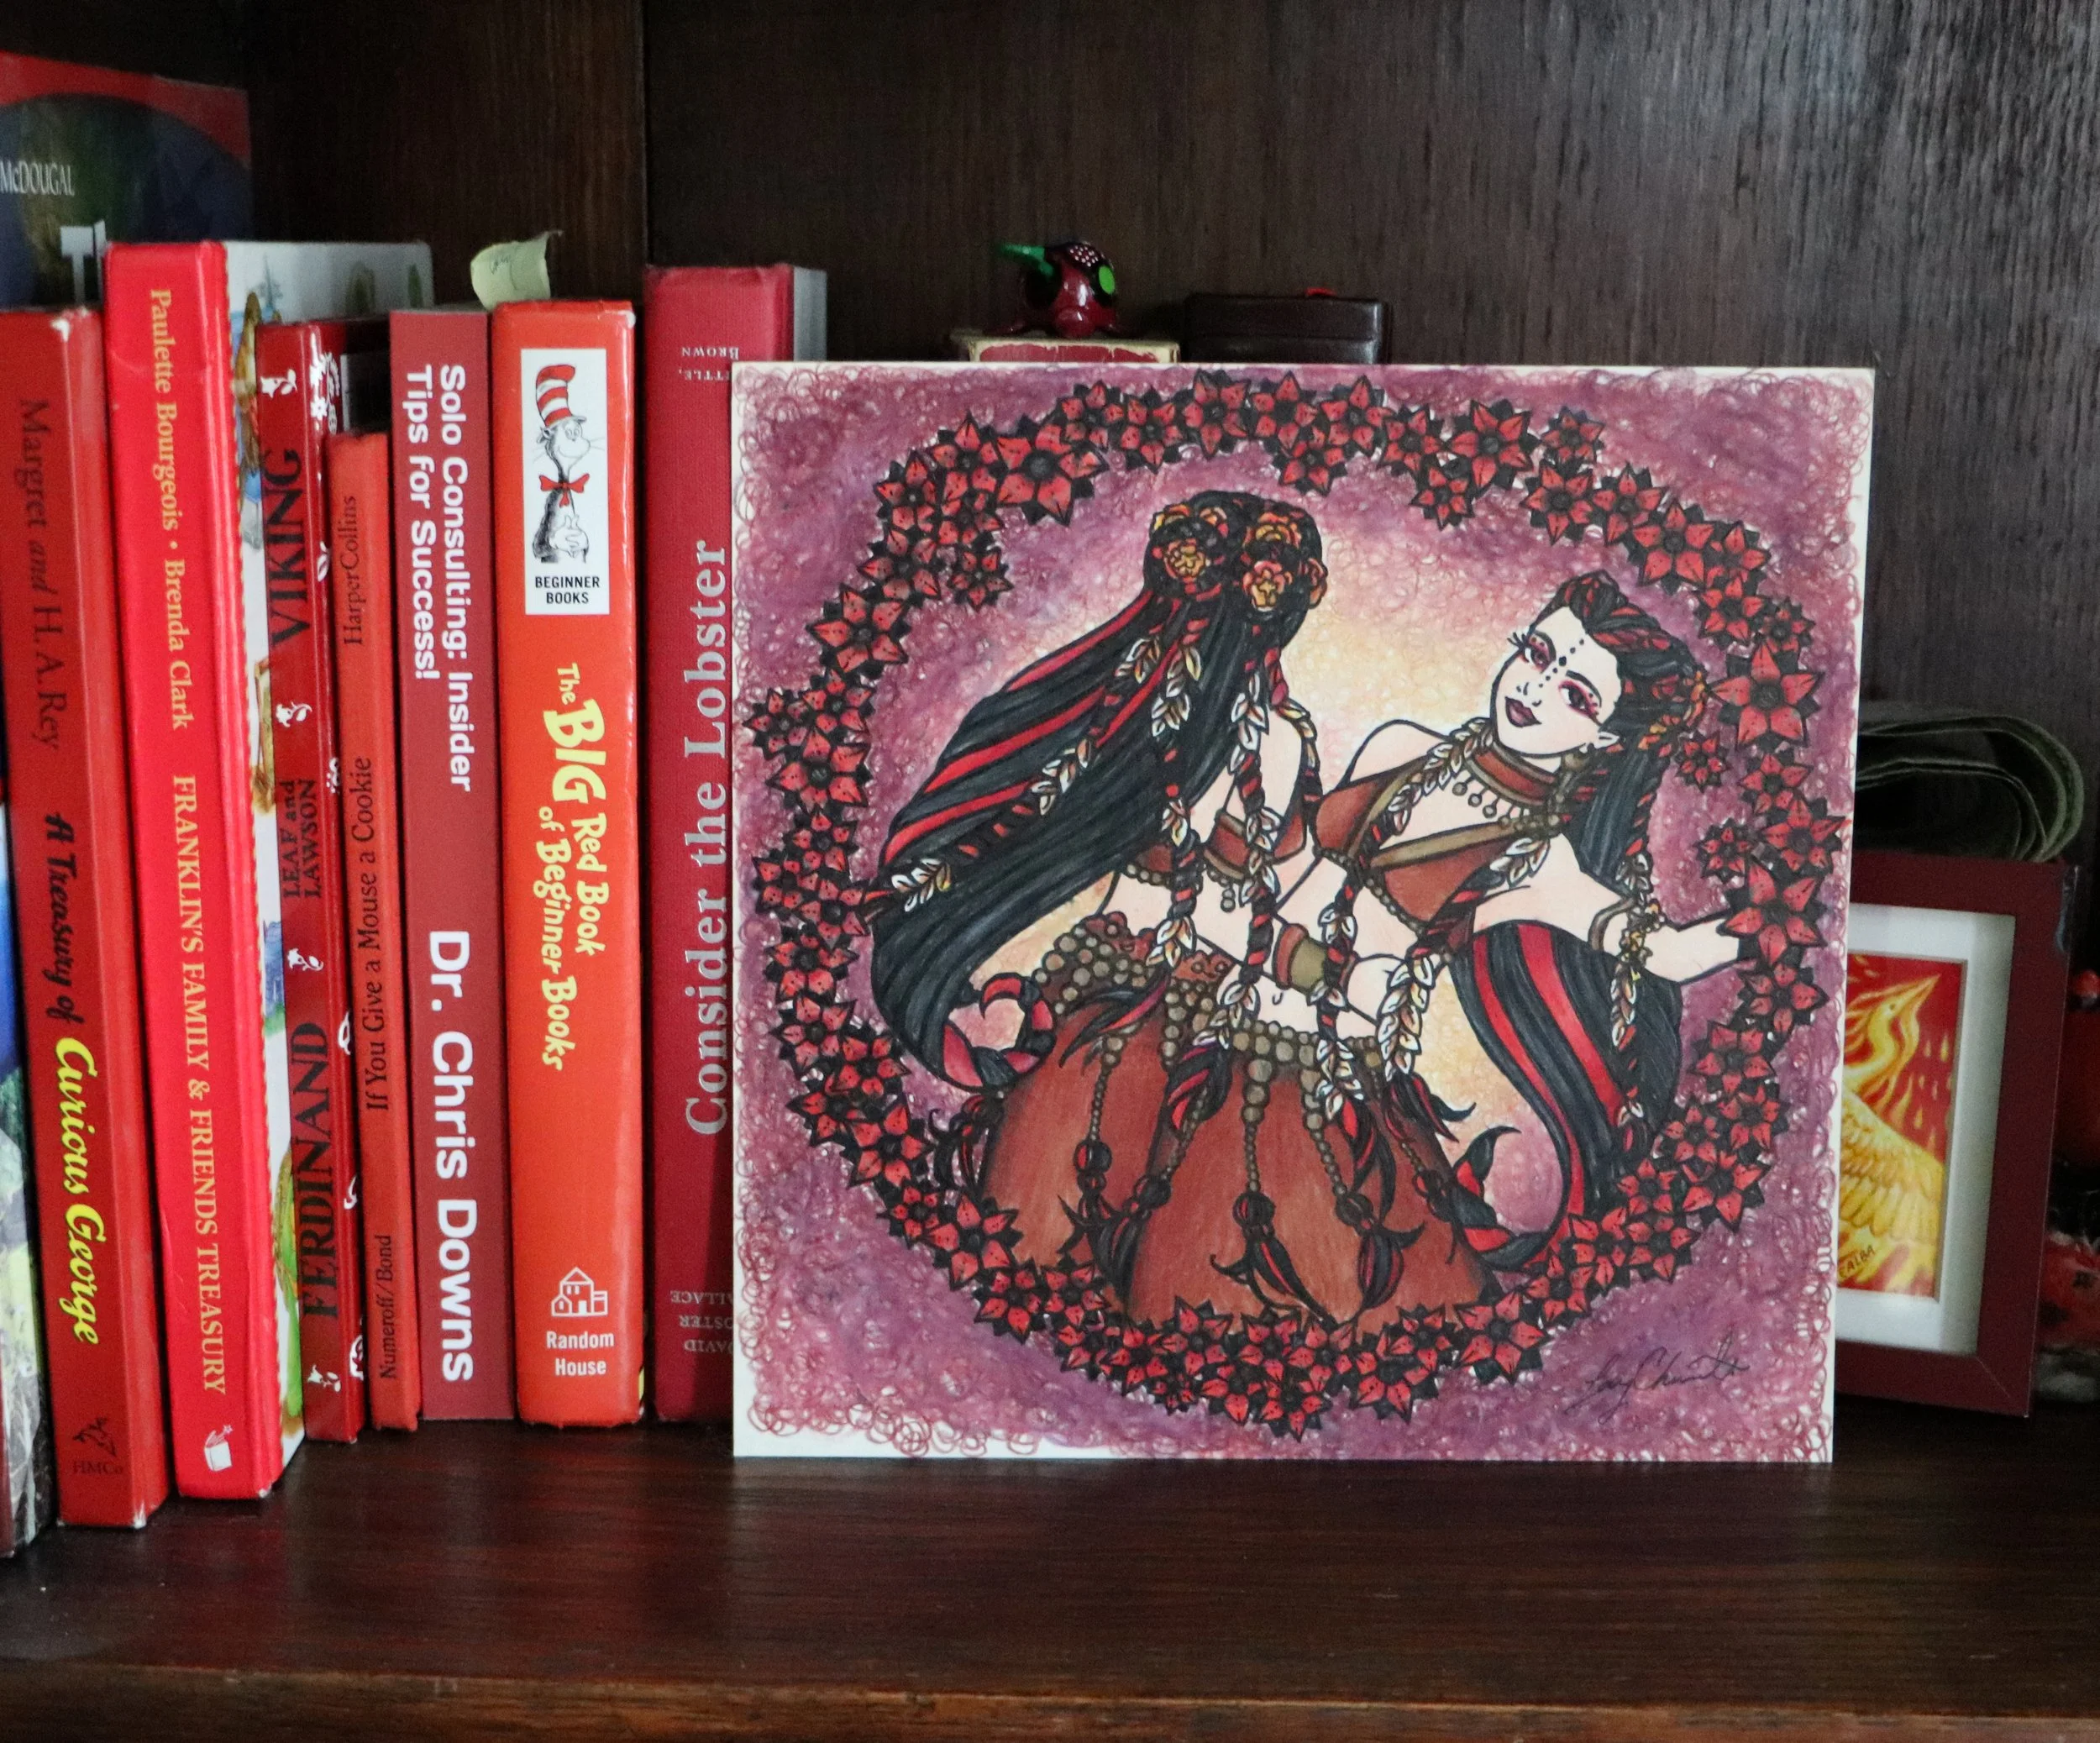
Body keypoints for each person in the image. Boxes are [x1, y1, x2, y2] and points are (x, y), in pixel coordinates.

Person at [870, 491, 1736, 1336]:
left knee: (1220, 1254)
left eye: (1575, 694)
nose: (1537, 689)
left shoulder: (1541, 860)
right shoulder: (1402, 746)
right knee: (1085, 1106)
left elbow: (1654, 950)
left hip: (1320, 1050)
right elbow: (1293, 869)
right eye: (1538, 654)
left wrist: (1756, 928)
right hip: (1236, 977)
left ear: (1606, 742)